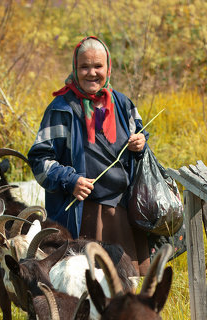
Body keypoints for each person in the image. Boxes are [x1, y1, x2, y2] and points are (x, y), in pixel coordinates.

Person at [27, 35, 150, 276]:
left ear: (108, 68)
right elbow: (39, 160)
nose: (91, 73)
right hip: (81, 217)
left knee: (123, 285)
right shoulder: (61, 109)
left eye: (98, 66)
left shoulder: (122, 104)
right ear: (75, 68)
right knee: (84, 285)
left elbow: (141, 140)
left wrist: (141, 145)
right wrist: (70, 180)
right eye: (84, 67)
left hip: (121, 216)